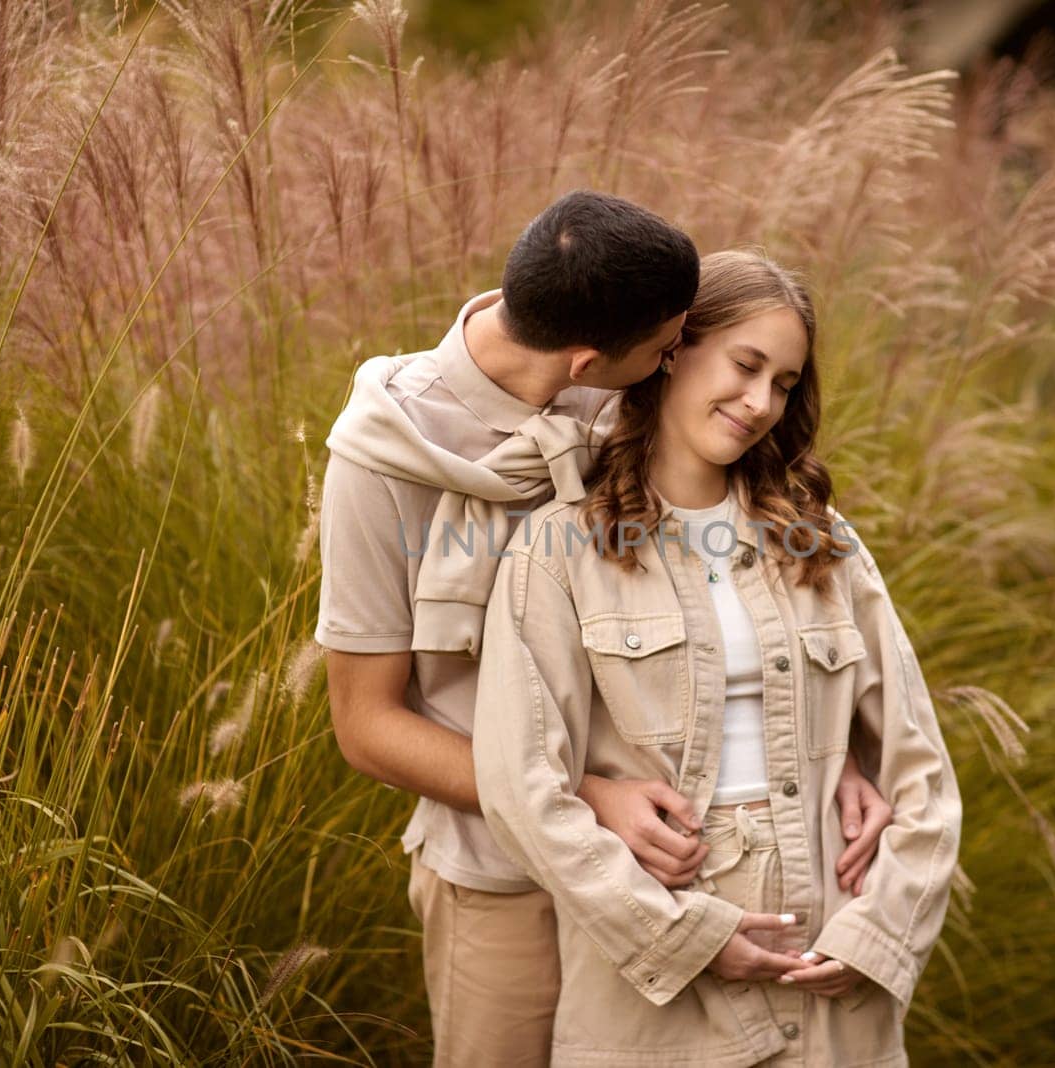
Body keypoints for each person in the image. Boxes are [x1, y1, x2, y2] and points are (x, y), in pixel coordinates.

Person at [317, 195, 897, 1066]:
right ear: (590, 359)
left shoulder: (619, 361)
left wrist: (832, 753)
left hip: (677, 868)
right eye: (671, 349)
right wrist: (582, 795)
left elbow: (747, 590)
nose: (679, 361)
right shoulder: (382, 459)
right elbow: (365, 725)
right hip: (502, 878)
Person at [473, 251, 962, 1066]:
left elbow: (922, 773)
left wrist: (880, 936)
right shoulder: (561, 549)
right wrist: (684, 938)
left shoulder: (824, 545)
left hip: (831, 963)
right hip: (653, 983)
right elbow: (522, 788)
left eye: (785, 382)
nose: (761, 402)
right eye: (746, 364)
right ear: (673, 348)